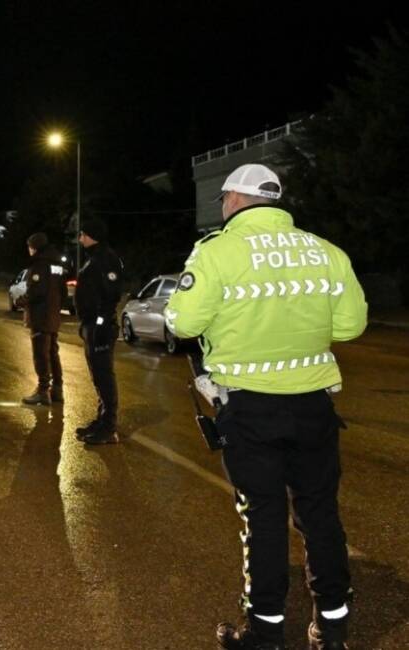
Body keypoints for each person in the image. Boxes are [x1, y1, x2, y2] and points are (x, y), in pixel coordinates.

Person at [166, 163, 367, 650]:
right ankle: (333, 629)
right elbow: (350, 326)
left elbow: (183, 323)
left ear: (234, 199)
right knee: (320, 513)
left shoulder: (217, 252)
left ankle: (266, 632)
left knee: (263, 517)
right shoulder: (326, 252)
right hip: (314, 406)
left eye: (223, 201)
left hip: (250, 410)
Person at [73, 217, 124, 445]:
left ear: (91, 235)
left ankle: (109, 426)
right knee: (98, 375)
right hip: (92, 325)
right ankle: (102, 419)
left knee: (104, 376)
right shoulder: (94, 258)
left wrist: (101, 325)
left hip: (100, 327)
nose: (80, 238)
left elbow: (110, 297)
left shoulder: (105, 259)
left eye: (82, 234)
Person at [19, 232, 65, 406]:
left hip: (40, 316)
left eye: (30, 247)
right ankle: (57, 389)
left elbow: (36, 292)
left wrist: (21, 300)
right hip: (53, 316)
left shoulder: (39, 265)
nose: (29, 250)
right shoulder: (57, 265)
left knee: (41, 354)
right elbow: (63, 292)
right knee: (53, 352)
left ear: (35, 247)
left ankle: (43, 391)